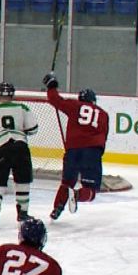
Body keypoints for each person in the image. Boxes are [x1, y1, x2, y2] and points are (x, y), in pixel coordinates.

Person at [43, 73, 109, 220]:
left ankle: (57, 209)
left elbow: (54, 99)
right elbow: (104, 137)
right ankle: (77, 195)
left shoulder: (74, 106)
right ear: (93, 100)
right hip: (92, 152)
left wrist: (51, 85)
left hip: (73, 151)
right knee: (90, 190)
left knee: (66, 182)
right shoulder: (103, 114)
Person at [0, 81, 38, 226]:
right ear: (12, 95)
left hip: (0, 148)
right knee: (23, 180)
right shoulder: (22, 108)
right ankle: (22, 212)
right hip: (20, 146)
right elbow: (33, 129)